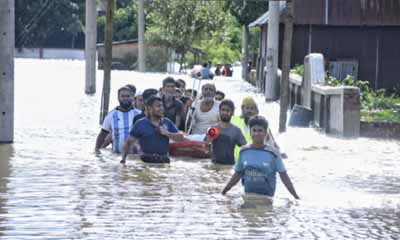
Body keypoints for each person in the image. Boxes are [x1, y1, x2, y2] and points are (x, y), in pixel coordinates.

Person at [222, 116, 300, 199]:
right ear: (250, 132)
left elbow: (283, 175)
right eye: (254, 130)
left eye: (260, 131)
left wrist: (296, 197)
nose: (256, 134)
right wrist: (224, 191)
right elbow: (237, 174)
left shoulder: (273, 153)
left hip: (266, 198)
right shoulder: (243, 151)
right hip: (248, 197)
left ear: (265, 133)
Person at [121, 96, 184, 164]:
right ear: (150, 108)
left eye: (162, 106)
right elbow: (128, 143)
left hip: (164, 161)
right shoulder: (140, 123)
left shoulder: (167, 122)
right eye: (158, 106)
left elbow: (180, 138)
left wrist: (167, 133)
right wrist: (123, 160)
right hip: (145, 161)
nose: (162, 108)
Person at [95, 86, 142, 153]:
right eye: (122, 96)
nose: (125, 98)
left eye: (128, 96)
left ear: (132, 98)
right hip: (116, 157)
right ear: (118, 98)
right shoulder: (111, 115)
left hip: (135, 156)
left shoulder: (139, 114)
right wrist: (97, 151)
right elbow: (102, 134)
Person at [209, 99, 246, 165]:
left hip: (229, 166)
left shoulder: (236, 130)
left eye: (228, 110)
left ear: (232, 112)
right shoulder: (213, 128)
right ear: (219, 111)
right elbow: (206, 145)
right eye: (223, 110)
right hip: (214, 164)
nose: (225, 113)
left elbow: (245, 147)